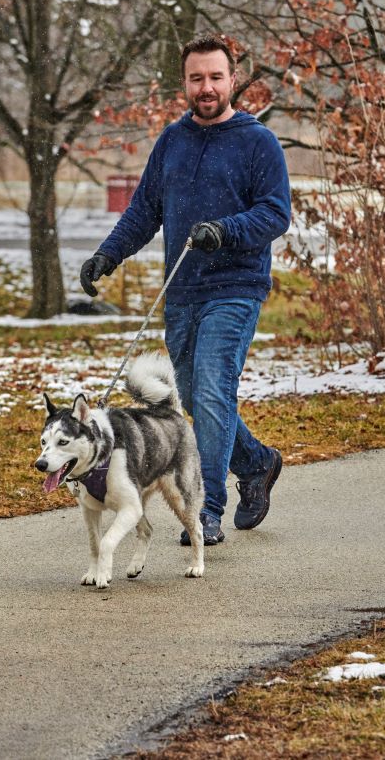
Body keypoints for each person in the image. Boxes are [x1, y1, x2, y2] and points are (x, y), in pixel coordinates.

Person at [79, 34, 289, 546]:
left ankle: (206, 509)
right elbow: (144, 210)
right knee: (192, 395)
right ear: (185, 83)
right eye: (197, 78)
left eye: (216, 77)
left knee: (214, 390)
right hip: (183, 292)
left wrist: (227, 229)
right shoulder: (172, 141)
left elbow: (275, 212)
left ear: (233, 79)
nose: (207, 87)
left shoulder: (257, 141)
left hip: (235, 288)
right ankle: (257, 462)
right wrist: (108, 254)